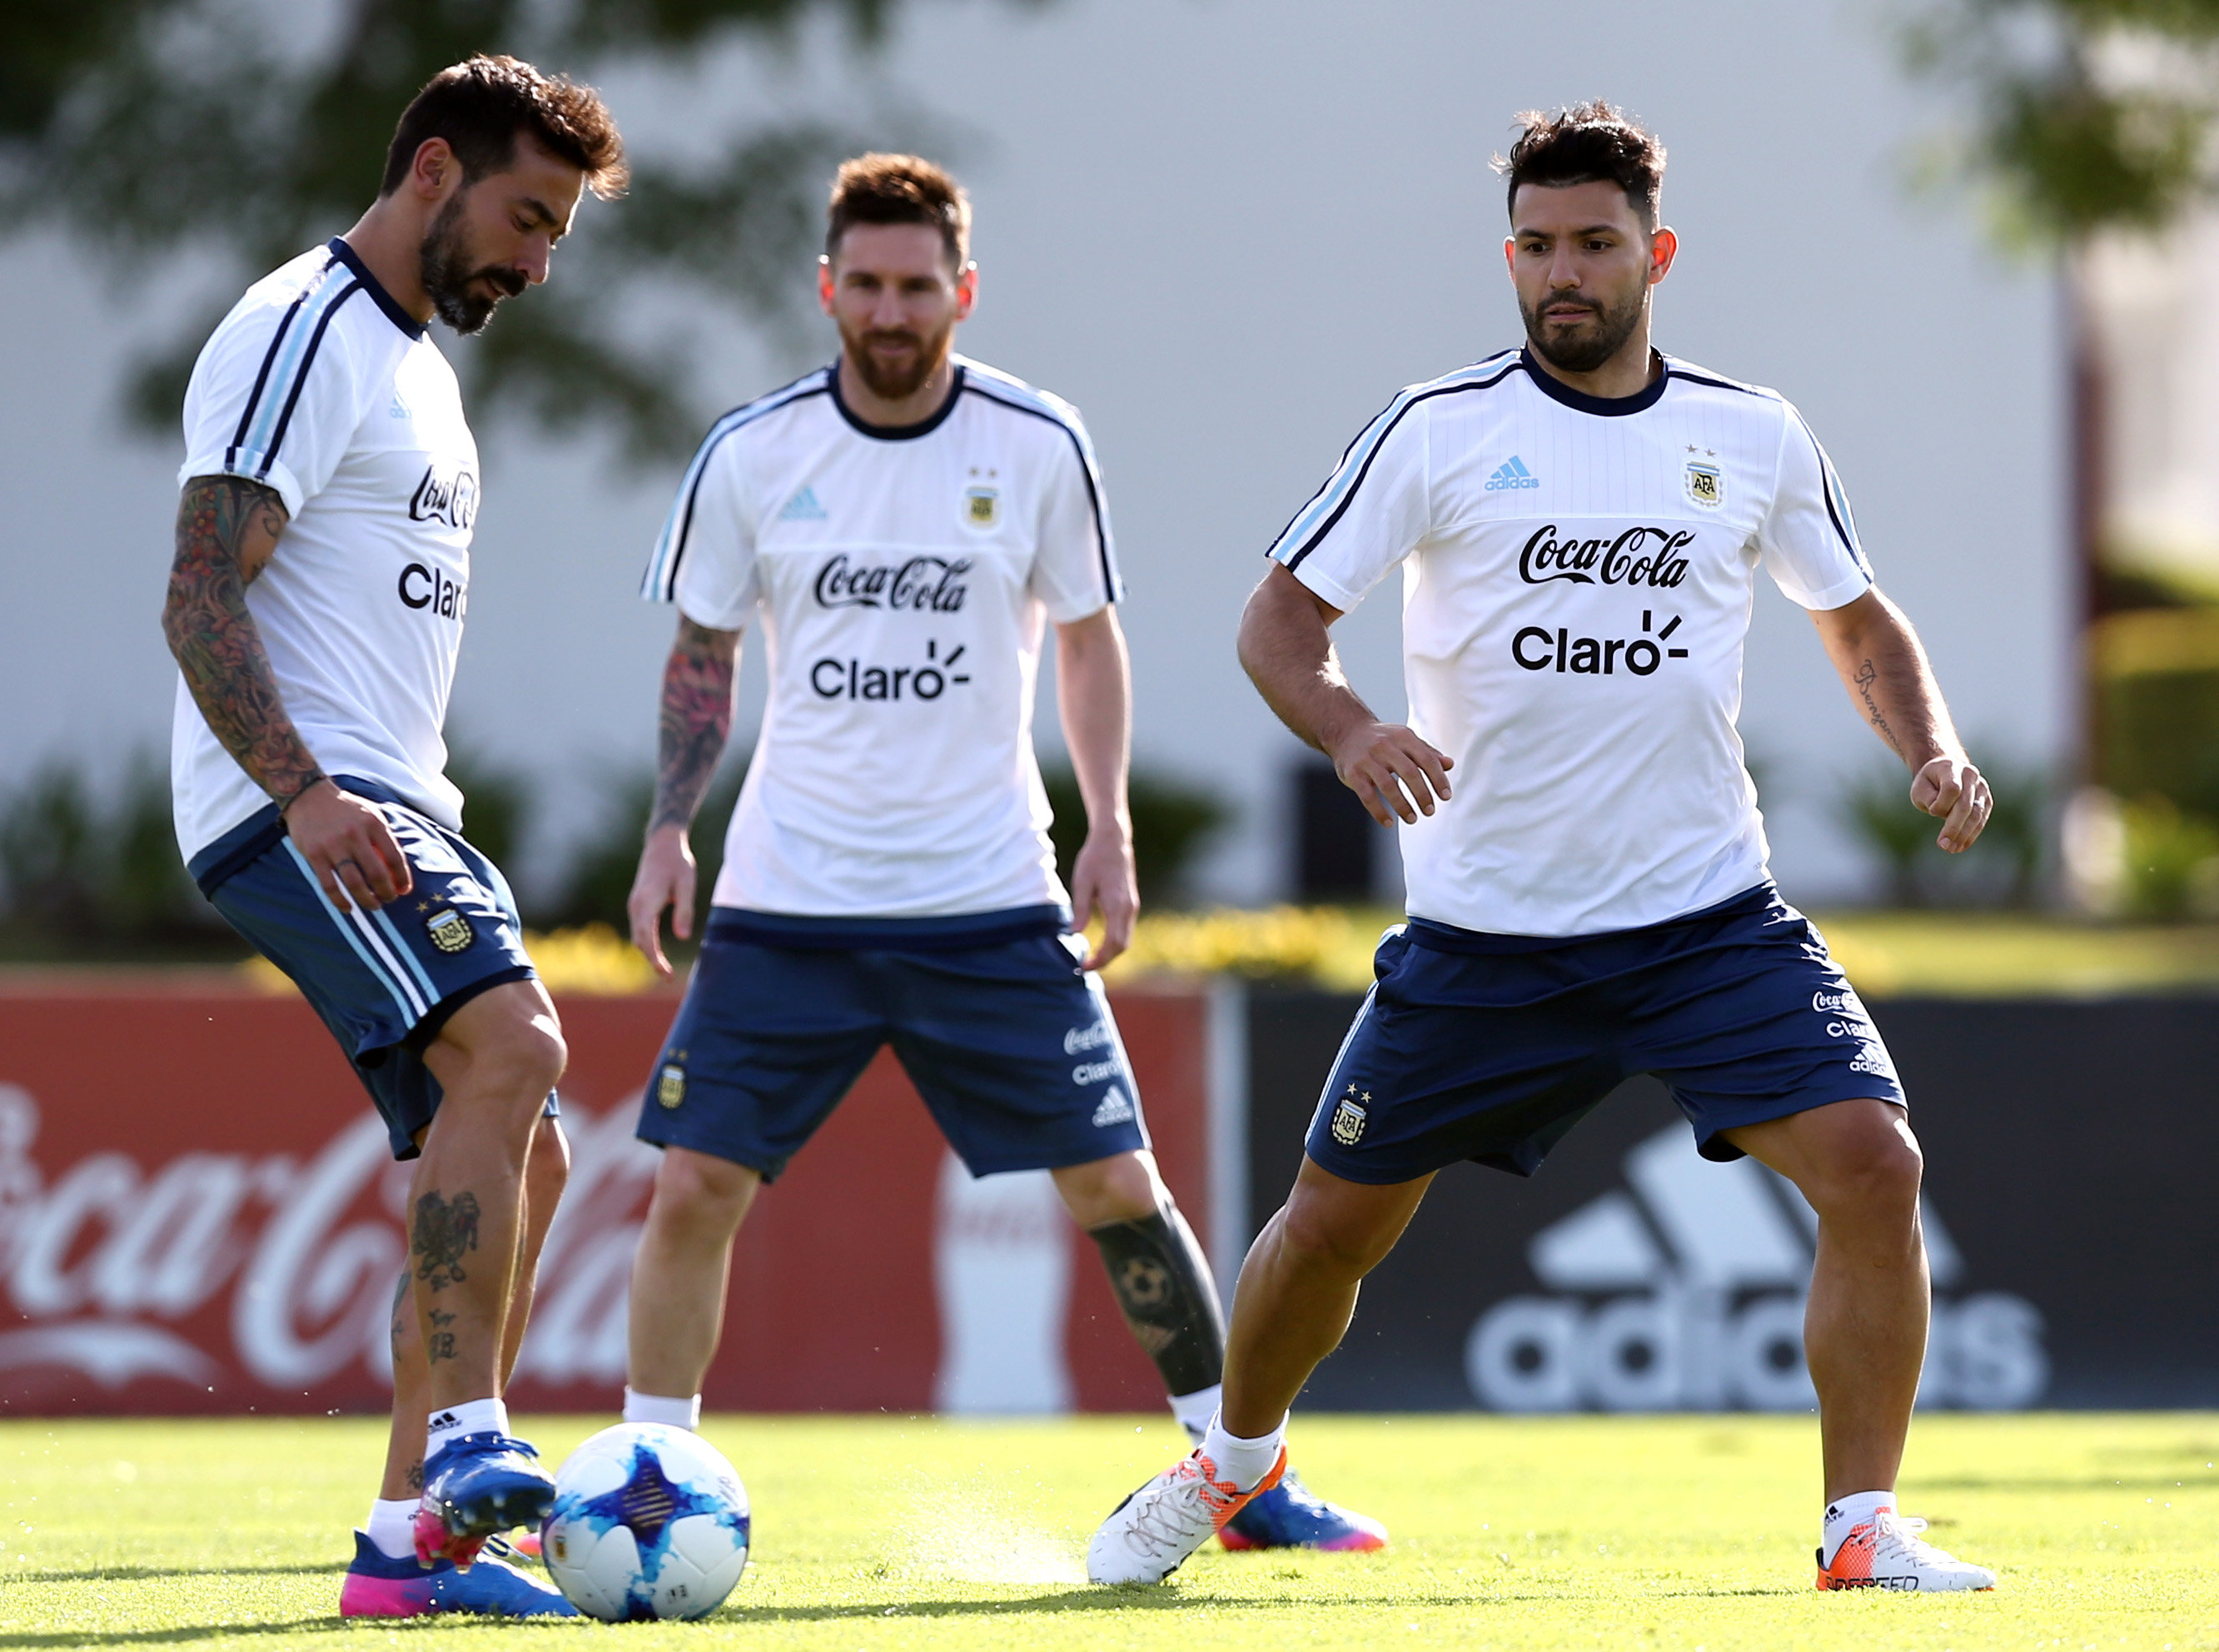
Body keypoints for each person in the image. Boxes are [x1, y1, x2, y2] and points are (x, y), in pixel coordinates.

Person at [1088, 102, 2000, 1594]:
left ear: (1660, 254)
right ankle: (1235, 1464)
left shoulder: (1749, 433)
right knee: (1323, 1236)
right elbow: (1279, 620)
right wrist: (1349, 730)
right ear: (1506, 255)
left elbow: (1855, 617)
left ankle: (1860, 1529)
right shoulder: (1437, 429)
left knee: (1873, 1163)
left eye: (1594, 243)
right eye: (1535, 245)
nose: (1561, 271)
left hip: (1708, 922)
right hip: (1484, 942)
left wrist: (1932, 748)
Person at [616, 152, 1383, 1555]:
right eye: (868, 284)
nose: (893, 310)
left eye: (919, 286)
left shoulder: (1036, 444)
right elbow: (702, 652)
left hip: (990, 901)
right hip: (789, 902)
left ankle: (1242, 1480)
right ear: (828, 289)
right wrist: (672, 824)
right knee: (691, 1187)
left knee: (1119, 1188)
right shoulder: (753, 452)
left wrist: (1110, 823)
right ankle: (651, 1481)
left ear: (962, 291)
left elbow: (1088, 639)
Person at [159, 56, 627, 1619]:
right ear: (432, 170)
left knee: (525, 1153)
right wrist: (299, 789)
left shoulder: (417, 359)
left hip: (389, 802)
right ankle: (473, 1445)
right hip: (300, 805)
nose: (539, 263)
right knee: (520, 1046)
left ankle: (405, 1553)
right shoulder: (311, 327)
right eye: (527, 217)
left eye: (557, 235)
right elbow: (200, 594)